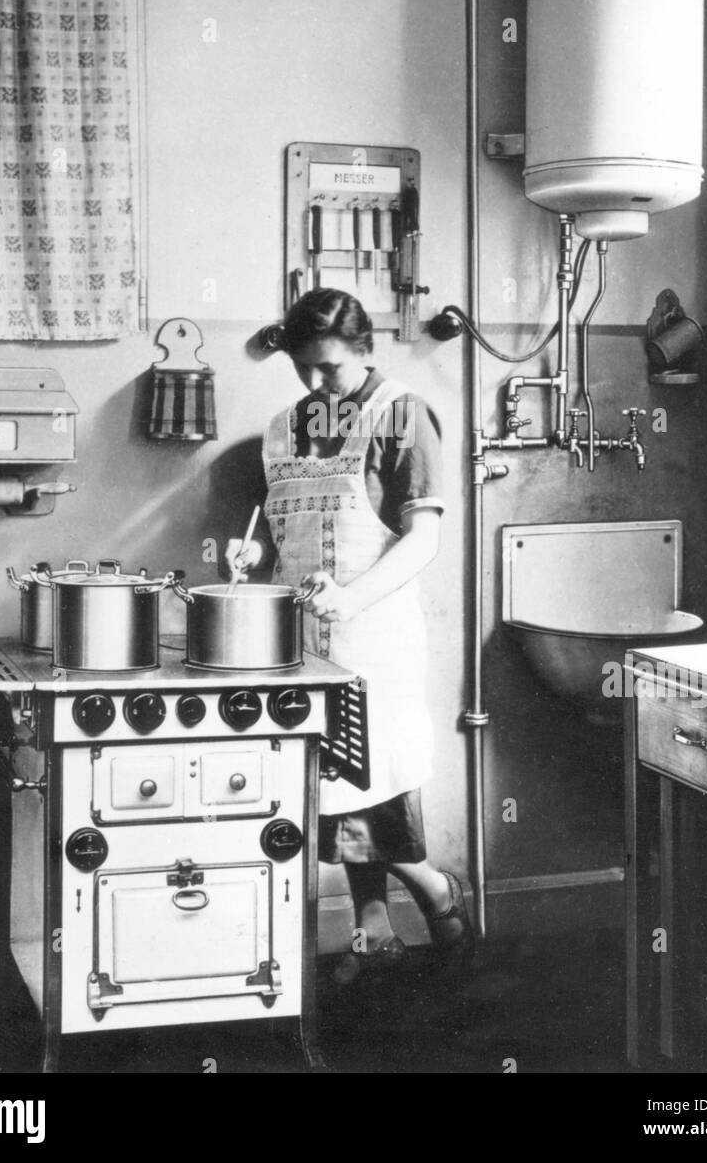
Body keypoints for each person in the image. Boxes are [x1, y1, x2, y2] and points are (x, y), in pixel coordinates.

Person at [224, 288, 473, 983]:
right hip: (301, 640)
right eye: (302, 368)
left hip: (375, 635)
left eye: (328, 369)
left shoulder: (401, 415)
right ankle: (376, 927)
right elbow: (284, 540)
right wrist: (256, 560)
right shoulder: (283, 427)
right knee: (327, 791)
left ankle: (432, 893)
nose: (313, 384)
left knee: (373, 784)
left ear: (364, 352)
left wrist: (354, 598)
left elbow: (423, 541)